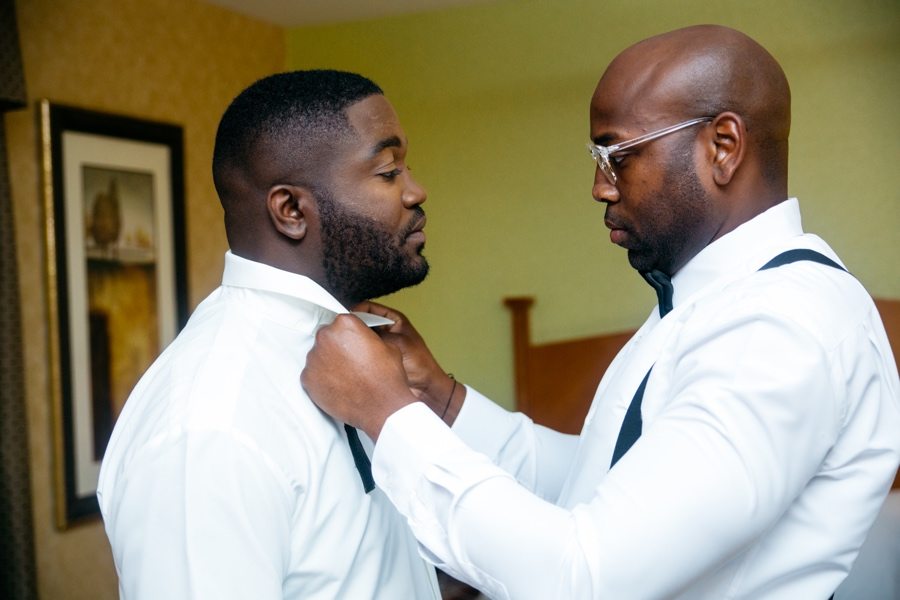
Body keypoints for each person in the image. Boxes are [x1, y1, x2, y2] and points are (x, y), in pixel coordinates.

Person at [300, 25, 900, 599]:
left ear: (723, 146)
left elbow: (583, 579)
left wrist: (390, 415)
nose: (600, 186)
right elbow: (612, 482)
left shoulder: (781, 327)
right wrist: (441, 402)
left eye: (618, 156)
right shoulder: (715, 303)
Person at [97, 70, 442, 599]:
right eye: (389, 170)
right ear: (291, 211)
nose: (416, 191)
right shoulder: (213, 427)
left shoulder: (358, 361)